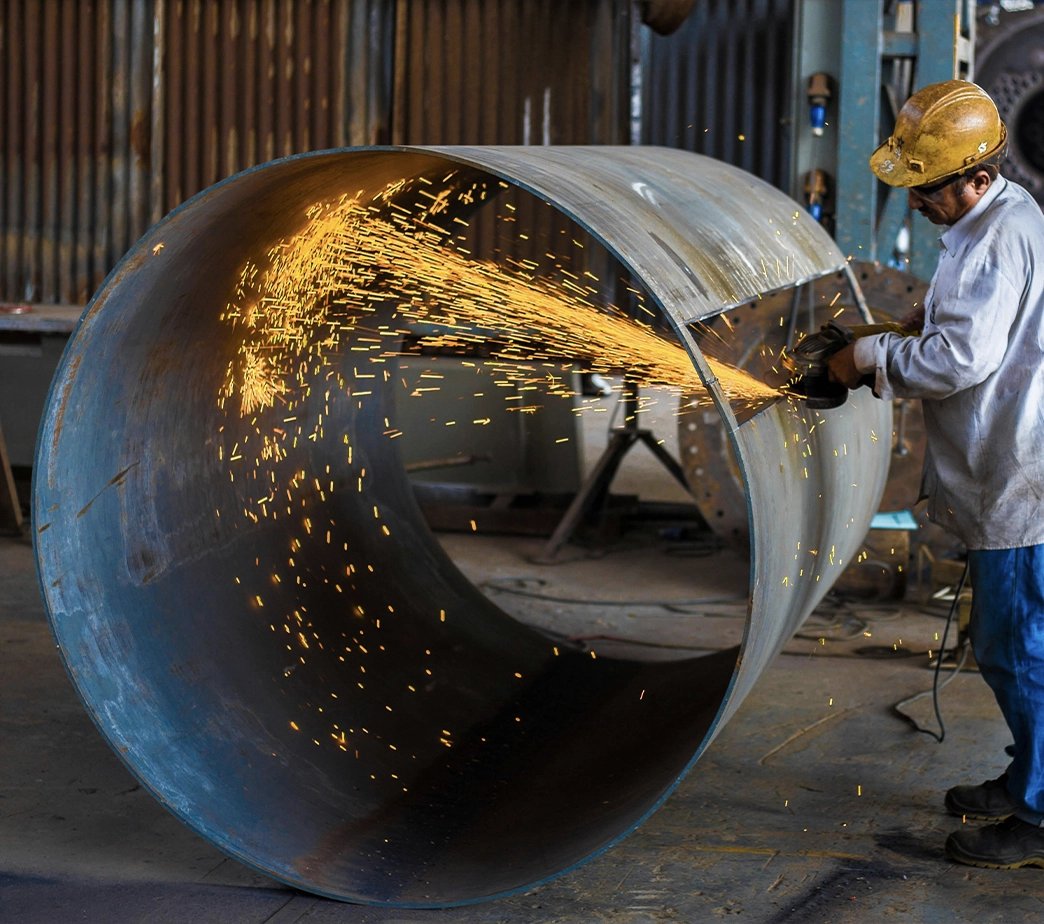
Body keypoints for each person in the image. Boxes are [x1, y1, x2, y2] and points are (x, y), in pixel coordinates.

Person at [827, 79, 1044, 869]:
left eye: (927, 186)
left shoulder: (994, 236)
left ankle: (1041, 813)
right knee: (1010, 642)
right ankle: (1030, 775)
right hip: (1011, 464)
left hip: (1021, 476)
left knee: (1019, 647)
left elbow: (960, 359)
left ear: (975, 176)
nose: (918, 199)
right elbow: (967, 318)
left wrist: (864, 358)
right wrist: (920, 311)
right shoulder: (999, 213)